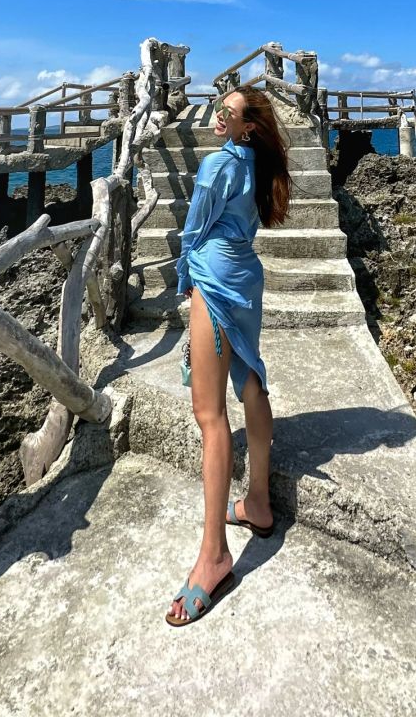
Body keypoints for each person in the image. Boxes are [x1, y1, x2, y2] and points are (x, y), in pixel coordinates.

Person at [165, 84, 292, 626]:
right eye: (218, 109)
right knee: (250, 381)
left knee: (209, 416)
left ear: (248, 128)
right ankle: (257, 502)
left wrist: (182, 282)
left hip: (215, 280)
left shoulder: (218, 166)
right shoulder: (257, 169)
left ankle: (214, 555)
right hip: (246, 275)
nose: (218, 117)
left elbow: (193, 231)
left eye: (229, 113)